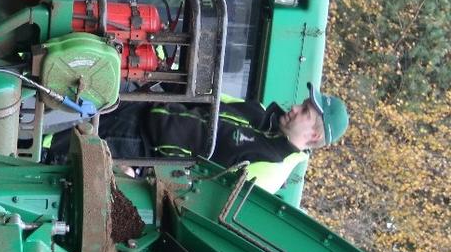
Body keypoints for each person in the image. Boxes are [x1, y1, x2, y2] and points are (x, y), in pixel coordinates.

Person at [46, 83, 349, 193]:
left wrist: (140, 177)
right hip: (140, 112)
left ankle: (12, 152)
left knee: (52, 157)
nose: (296, 107)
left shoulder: (268, 173)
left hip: (137, 153)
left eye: (306, 111)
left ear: (313, 135)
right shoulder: (259, 113)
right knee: (53, 138)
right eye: (303, 104)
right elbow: (205, 100)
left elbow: (199, 193)